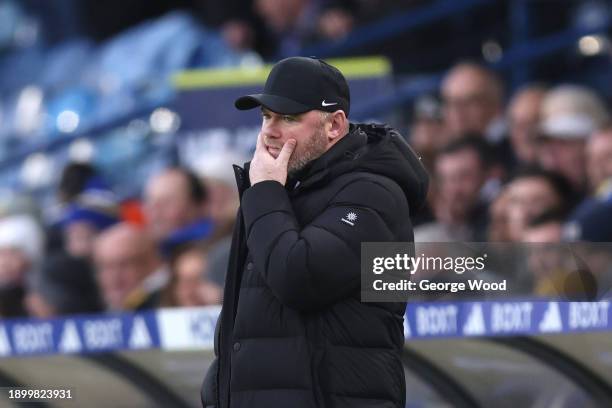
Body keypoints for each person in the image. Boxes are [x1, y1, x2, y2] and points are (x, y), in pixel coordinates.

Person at [201, 57, 428, 408]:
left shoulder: (374, 193)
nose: (269, 130)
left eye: (288, 117)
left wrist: (263, 193)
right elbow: (244, 317)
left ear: (334, 126)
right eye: (266, 116)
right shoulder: (278, 191)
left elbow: (299, 277)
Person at [93, 223, 167, 311]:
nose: (114, 276)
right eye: (106, 267)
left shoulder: (167, 304)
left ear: (152, 263)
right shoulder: (92, 307)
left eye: (124, 264)